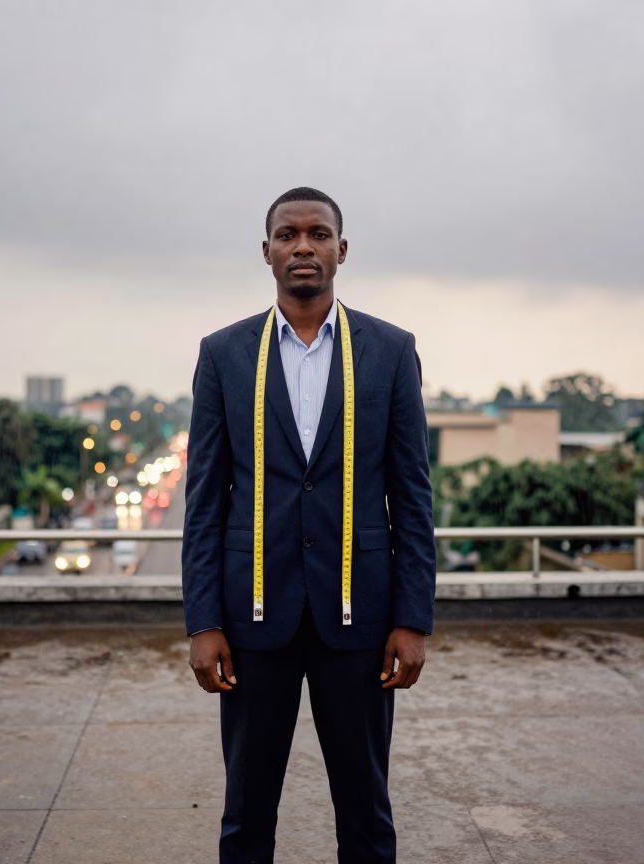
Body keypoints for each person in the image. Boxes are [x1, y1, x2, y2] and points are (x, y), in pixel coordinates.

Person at [182, 186, 436, 864]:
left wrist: (413, 618)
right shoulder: (224, 353)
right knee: (245, 815)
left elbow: (412, 495)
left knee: (366, 811)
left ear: (341, 250)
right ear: (265, 252)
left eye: (317, 234)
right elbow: (204, 500)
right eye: (288, 234)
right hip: (250, 616)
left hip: (360, 616)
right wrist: (203, 622)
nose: (303, 245)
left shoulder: (388, 350)